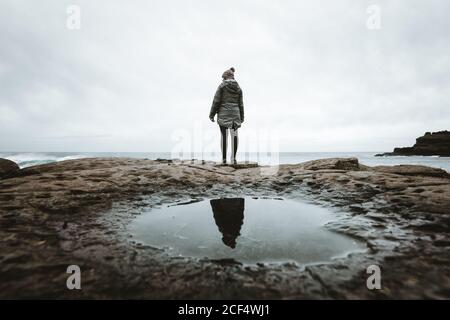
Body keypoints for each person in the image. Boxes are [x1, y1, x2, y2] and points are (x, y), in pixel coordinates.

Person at [209, 67, 244, 164]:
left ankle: (224, 159)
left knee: (224, 136)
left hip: (223, 114)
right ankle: (233, 159)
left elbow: (216, 101)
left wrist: (211, 115)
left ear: (225, 77)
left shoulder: (221, 86)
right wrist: (242, 117)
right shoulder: (239, 88)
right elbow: (241, 104)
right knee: (234, 136)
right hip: (235, 115)